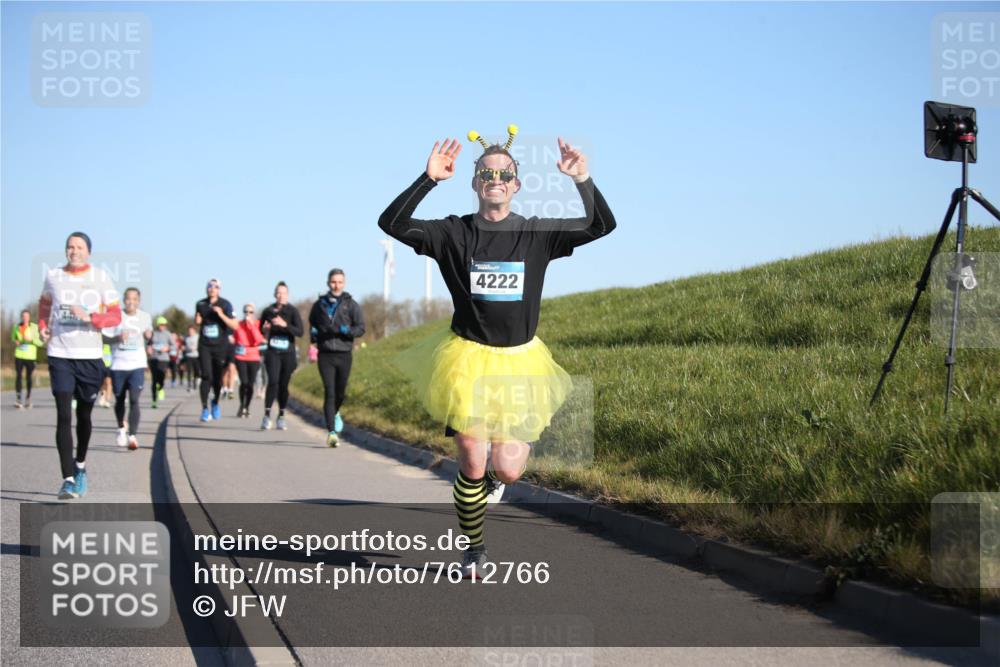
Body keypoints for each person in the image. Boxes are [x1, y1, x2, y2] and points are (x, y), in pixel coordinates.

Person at [378, 129, 616, 577]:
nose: (495, 179)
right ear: (475, 182)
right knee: (470, 454)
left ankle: (491, 483)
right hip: (466, 358)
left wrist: (582, 179)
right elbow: (391, 224)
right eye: (486, 172)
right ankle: (473, 547)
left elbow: (601, 226)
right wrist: (427, 180)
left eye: (504, 173)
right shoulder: (452, 233)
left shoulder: (536, 233)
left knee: (507, 469)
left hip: (521, 362)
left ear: (515, 184)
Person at [38, 231, 122, 500]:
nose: (74, 251)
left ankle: (81, 465)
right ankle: (68, 479)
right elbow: (44, 304)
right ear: (65, 251)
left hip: (90, 357)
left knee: (84, 416)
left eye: (79, 247)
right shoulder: (53, 276)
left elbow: (115, 316)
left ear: (88, 252)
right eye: (70, 247)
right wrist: (42, 326)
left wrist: (91, 317)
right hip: (60, 353)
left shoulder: (100, 278)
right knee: (63, 415)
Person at [308, 269, 365, 447]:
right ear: (328, 283)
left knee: (340, 392)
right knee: (330, 391)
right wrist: (314, 334)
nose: (336, 285)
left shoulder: (351, 305)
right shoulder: (319, 305)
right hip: (325, 354)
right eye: (333, 282)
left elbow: (361, 328)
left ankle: (336, 411)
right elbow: (312, 324)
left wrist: (347, 331)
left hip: (344, 353)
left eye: (340, 282)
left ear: (344, 283)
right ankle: (331, 432)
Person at [104, 287, 152, 450]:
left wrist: (148, 337)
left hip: (137, 362)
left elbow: (149, 335)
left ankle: (132, 436)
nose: (131, 302)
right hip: (118, 363)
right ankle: (121, 428)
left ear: (139, 301)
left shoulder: (145, 317)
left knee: (134, 399)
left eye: (134, 299)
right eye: (128, 299)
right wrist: (118, 337)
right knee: (119, 399)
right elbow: (104, 338)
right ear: (124, 300)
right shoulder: (116, 317)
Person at [259, 281, 303, 431]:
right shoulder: (268, 311)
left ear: (287, 295)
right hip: (272, 352)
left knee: (283, 385)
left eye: (283, 293)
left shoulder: (292, 311)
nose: (280, 295)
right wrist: (265, 330)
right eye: (278, 292)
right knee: (273, 381)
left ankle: (282, 416)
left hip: (288, 353)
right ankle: (266, 416)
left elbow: (300, 332)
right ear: (274, 294)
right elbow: (261, 331)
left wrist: (285, 325)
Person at [194, 278, 238, 422]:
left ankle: (215, 403)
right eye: (209, 286)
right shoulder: (200, 304)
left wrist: (221, 314)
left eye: (215, 287)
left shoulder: (225, 304)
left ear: (219, 289)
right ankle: (204, 408)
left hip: (220, 346)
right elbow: (198, 321)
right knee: (206, 375)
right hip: (205, 345)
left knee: (218, 378)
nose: (212, 289)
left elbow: (234, 325)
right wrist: (197, 319)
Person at [233, 303, 265, 418]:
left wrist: (251, 326)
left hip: (254, 357)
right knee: (244, 382)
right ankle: (242, 405)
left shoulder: (257, 324)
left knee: (251, 384)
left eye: (250, 312)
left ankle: (247, 406)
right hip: (241, 357)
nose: (248, 314)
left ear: (254, 313)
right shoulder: (238, 325)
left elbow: (258, 340)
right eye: (246, 312)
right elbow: (236, 339)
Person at [11, 309, 44, 409]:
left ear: (29, 317)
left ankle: (28, 397)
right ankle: (18, 398)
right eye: (23, 316)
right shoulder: (16, 327)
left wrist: (32, 340)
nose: (25, 318)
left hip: (30, 356)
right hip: (19, 354)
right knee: (18, 376)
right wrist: (16, 341)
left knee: (28, 377)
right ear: (21, 317)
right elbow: (13, 337)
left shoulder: (34, 327)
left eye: (27, 316)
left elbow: (40, 342)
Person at [148, 317, 176, 408]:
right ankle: (154, 401)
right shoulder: (153, 333)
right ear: (158, 325)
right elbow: (148, 343)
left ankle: (161, 388)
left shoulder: (168, 334)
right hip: (154, 358)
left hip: (164, 359)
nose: (162, 326)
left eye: (164, 325)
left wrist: (167, 348)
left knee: (161, 378)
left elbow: (174, 345)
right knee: (154, 380)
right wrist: (149, 349)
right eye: (160, 325)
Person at [183, 325, 200, 392]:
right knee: (189, 371)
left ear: (194, 330)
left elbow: (201, 345)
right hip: (188, 356)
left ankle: (195, 381)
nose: (190, 332)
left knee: (197, 371)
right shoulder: (186, 337)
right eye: (189, 330)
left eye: (191, 330)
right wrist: (184, 348)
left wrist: (195, 348)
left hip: (196, 356)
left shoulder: (197, 337)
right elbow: (183, 345)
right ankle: (189, 385)